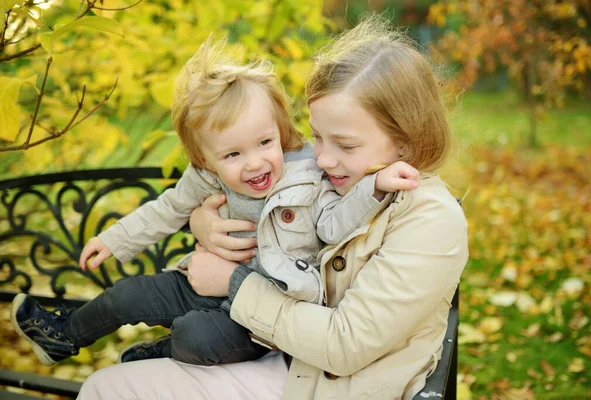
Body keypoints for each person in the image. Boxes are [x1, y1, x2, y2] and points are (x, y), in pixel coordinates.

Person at [76, 14, 468, 400]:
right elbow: (248, 197)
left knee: (109, 388)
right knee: (107, 383)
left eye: (345, 145)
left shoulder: (431, 220)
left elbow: (345, 346)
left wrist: (232, 282)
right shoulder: (340, 178)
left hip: (330, 384)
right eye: (317, 136)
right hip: (285, 358)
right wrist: (201, 222)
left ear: (405, 140)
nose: (324, 158)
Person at [11, 36, 419, 369]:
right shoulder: (204, 179)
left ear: (280, 131)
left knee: (194, 335)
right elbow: (167, 208)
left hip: (260, 312)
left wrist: (375, 186)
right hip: (201, 281)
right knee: (127, 294)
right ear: (206, 159)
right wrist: (116, 239)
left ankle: (164, 351)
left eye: (264, 142)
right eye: (233, 155)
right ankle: (64, 336)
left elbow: (337, 221)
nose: (255, 162)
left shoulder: (309, 175)